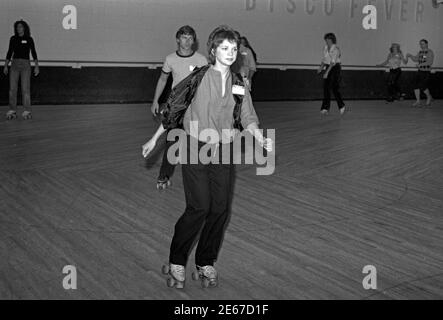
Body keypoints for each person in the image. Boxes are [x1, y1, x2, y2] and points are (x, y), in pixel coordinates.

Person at [142, 25, 272, 289]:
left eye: (234, 49)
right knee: (199, 206)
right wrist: (155, 138)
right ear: (213, 50)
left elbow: (247, 115)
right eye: (224, 48)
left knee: (220, 208)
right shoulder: (198, 77)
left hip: (223, 149)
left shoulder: (239, 83)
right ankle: (177, 259)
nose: (230, 53)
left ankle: (205, 260)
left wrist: (259, 137)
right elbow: (174, 107)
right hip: (194, 145)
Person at [149, 26, 207, 189]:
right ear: (177, 39)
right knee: (171, 142)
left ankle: (199, 177)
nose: (187, 41)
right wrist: (155, 101)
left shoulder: (201, 60)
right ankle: (163, 176)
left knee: (197, 143)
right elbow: (162, 80)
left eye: (190, 38)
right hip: (176, 107)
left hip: (196, 109)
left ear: (194, 41)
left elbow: (208, 84)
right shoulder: (170, 59)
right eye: (184, 37)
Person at [3, 20, 39, 120]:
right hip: (14, 64)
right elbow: (9, 52)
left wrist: (36, 66)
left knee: (25, 88)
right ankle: (12, 110)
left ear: (24, 28)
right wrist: (6, 65)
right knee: (12, 89)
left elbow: (34, 52)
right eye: (17, 27)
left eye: (21, 27)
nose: (19, 29)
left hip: (25, 65)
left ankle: (27, 110)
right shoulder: (13, 38)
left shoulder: (29, 39)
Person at [317, 33, 345, 116]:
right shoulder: (325, 48)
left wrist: (326, 73)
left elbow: (332, 63)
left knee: (334, 88)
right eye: (326, 39)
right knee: (326, 88)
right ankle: (325, 108)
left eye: (328, 39)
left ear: (332, 40)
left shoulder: (336, 49)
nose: (326, 41)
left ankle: (341, 105)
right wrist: (321, 68)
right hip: (328, 67)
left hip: (335, 68)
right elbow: (324, 59)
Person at [407, 39, 434, 107]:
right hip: (420, 71)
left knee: (423, 86)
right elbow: (416, 59)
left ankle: (429, 97)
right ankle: (418, 101)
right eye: (420, 44)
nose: (421, 45)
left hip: (426, 72)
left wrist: (420, 65)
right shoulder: (420, 52)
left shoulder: (430, 52)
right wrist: (410, 56)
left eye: (423, 44)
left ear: (426, 44)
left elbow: (429, 62)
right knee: (415, 86)